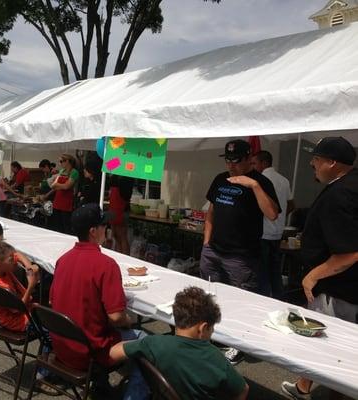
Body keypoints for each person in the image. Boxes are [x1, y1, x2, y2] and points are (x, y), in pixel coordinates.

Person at [281, 137, 358, 400]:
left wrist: (312, 275)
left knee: (335, 350)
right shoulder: (350, 184)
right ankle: (303, 386)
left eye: (316, 158)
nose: (312, 163)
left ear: (332, 163)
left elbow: (349, 253)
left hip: (339, 288)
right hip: (346, 286)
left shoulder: (339, 194)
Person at [50, 203, 148, 399]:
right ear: (93, 231)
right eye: (104, 225)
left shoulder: (63, 260)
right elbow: (116, 316)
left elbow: (53, 301)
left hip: (62, 345)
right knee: (148, 342)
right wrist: (127, 320)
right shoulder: (106, 265)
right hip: (91, 352)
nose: (108, 229)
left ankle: (101, 386)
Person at [200, 139, 280, 365]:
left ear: (249, 160)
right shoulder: (220, 179)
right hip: (214, 251)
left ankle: (239, 345)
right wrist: (206, 241)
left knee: (242, 303)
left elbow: (273, 214)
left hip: (241, 256)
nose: (231, 166)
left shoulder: (262, 182)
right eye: (227, 160)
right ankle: (214, 337)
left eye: (236, 161)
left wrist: (253, 185)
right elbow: (212, 212)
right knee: (211, 297)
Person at [110, 286, 249, 400]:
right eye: (212, 328)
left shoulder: (153, 343)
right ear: (203, 328)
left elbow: (114, 353)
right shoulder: (214, 357)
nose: (212, 332)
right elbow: (242, 390)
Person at [251, 150, 295, 298]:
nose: (252, 166)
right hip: (277, 232)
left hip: (262, 232)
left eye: (254, 163)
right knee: (275, 271)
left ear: (264, 163)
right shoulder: (284, 180)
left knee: (261, 271)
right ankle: (278, 298)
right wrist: (280, 218)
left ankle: (262, 300)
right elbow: (291, 204)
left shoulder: (259, 180)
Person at [0, 241, 40, 331]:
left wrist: (29, 267)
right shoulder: (0, 288)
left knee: (45, 313)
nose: (15, 261)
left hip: (22, 310)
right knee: (53, 329)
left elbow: (17, 254)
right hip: (15, 322)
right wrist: (31, 286)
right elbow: (18, 309)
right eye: (11, 260)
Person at [49, 154, 79, 234]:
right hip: (57, 201)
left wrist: (57, 185)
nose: (60, 163)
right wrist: (58, 185)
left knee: (66, 226)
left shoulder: (74, 172)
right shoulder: (62, 171)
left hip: (66, 202)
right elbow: (53, 186)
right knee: (57, 226)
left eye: (61, 161)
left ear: (68, 161)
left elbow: (66, 186)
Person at [108, 175, 133, 254]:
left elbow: (127, 194)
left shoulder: (127, 174)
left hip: (122, 207)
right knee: (116, 235)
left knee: (122, 236)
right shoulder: (117, 165)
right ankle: (118, 256)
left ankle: (124, 257)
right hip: (114, 206)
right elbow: (108, 166)